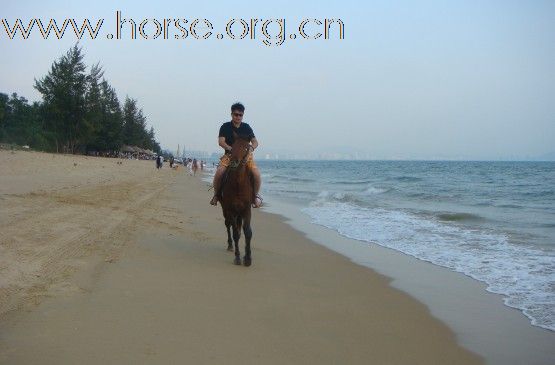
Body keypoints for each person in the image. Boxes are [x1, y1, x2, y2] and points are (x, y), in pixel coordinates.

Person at [210, 102, 262, 208]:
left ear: (243, 115)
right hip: (229, 156)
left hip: (245, 157)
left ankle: (255, 196)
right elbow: (221, 142)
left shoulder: (247, 127)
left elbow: (255, 142)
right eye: (235, 114)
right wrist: (232, 149)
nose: (238, 117)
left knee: (256, 174)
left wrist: (251, 148)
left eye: (240, 115)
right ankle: (216, 195)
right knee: (220, 172)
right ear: (231, 114)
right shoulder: (225, 127)